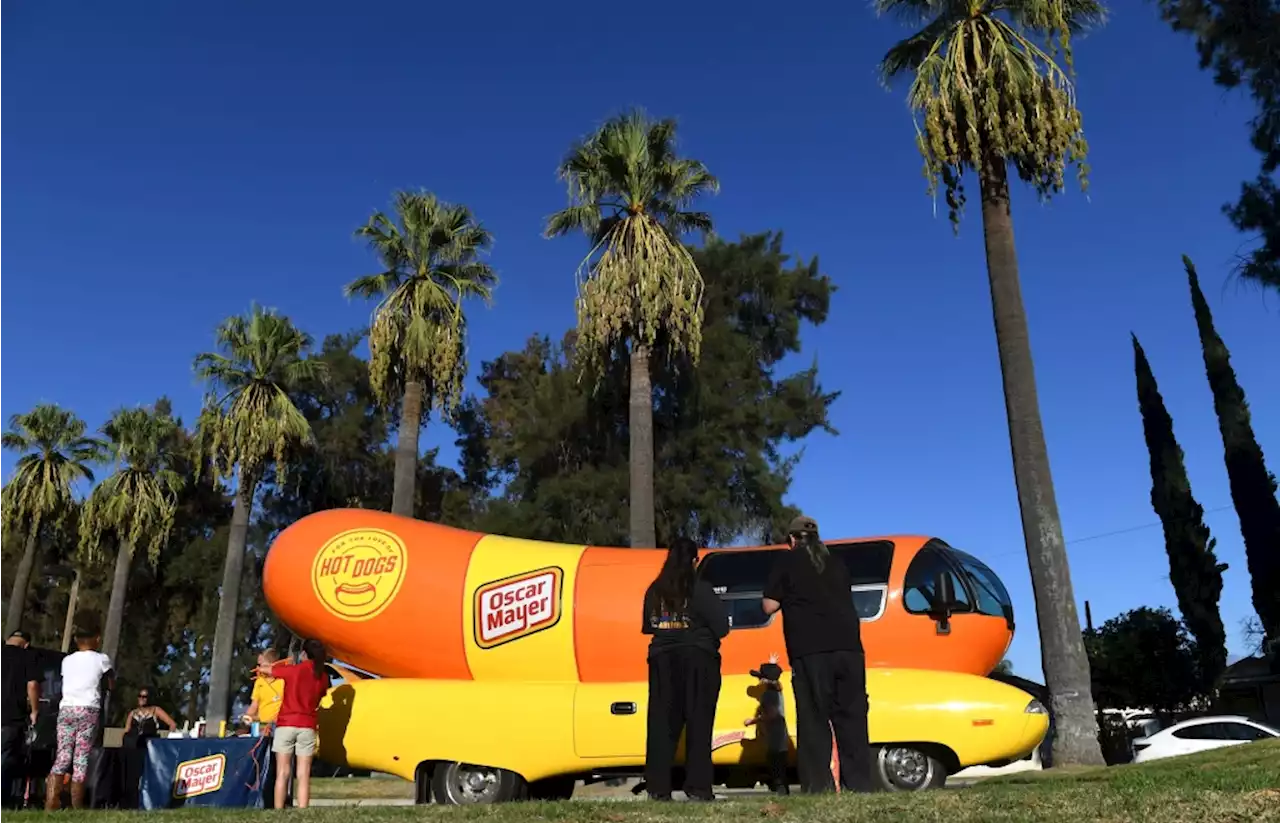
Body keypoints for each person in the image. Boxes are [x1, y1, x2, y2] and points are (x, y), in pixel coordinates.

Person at [762, 514, 874, 794]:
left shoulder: (787, 560)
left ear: (791, 539)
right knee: (852, 719)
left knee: (813, 719)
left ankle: (818, 787)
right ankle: (861, 785)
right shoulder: (837, 562)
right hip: (849, 648)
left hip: (811, 649)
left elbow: (769, 606)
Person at [640, 537, 730, 802]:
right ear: (694, 561)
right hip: (698, 659)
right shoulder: (700, 589)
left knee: (660, 725)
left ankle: (658, 788)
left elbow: (649, 627)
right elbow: (722, 628)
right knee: (699, 723)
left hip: (662, 661)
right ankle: (698, 788)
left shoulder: (654, 590)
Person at [255, 639, 330, 810]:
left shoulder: (293, 671)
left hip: (286, 724)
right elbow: (320, 696)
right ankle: (303, 810)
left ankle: (279, 810)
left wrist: (261, 668)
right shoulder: (322, 676)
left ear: (303, 654)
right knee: (303, 774)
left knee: (283, 772)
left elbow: (268, 670)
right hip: (308, 726)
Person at [47, 627, 113, 811]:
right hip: (88, 709)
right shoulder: (102, 659)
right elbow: (110, 683)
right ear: (97, 639)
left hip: (66, 708)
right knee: (81, 757)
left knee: (63, 755)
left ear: (76, 639)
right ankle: (77, 804)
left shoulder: (67, 660)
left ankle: (51, 801)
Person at [0, 631, 39, 809]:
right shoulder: (27, 656)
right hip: (12, 716)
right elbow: (32, 684)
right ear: (26, 644)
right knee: (5, 759)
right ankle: (3, 799)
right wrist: (35, 710)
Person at [744, 654, 789, 796]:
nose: (759, 681)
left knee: (776, 766)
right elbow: (775, 678)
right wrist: (772, 665)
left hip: (775, 738)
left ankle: (781, 791)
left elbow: (771, 714)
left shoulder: (768, 695)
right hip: (780, 736)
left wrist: (752, 721)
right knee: (780, 764)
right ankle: (782, 789)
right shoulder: (778, 690)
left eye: (760, 677)